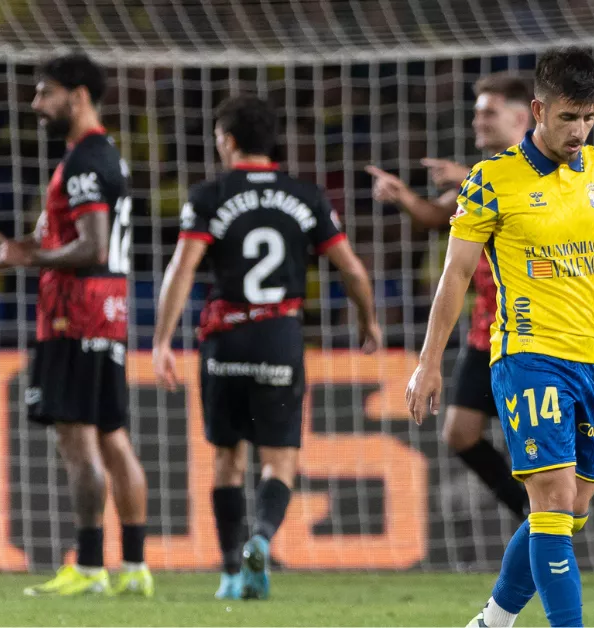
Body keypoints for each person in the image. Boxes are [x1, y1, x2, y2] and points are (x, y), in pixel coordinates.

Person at [406, 48, 594, 628]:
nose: (579, 131)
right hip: (526, 355)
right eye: (568, 118)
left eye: (589, 117)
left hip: (589, 361)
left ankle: (493, 621)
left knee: (569, 511)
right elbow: (455, 275)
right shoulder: (491, 181)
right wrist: (429, 363)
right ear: (538, 110)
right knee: (549, 501)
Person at [0, 53, 153, 597]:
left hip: (74, 314)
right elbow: (40, 246)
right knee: (113, 438)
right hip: (108, 311)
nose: (35, 105)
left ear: (76, 95)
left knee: (78, 443)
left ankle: (92, 567)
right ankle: (137, 568)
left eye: (44, 93)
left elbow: (90, 246)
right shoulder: (104, 158)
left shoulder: (83, 162)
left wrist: (31, 259)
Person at [150, 94, 381, 600]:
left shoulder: (209, 196)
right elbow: (354, 271)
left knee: (227, 460)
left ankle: (232, 573)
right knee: (280, 460)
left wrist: (162, 340)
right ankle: (262, 536)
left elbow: (182, 269)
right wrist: (368, 323)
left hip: (226, 338)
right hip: (280, 337)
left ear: (229, 141)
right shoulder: (307, 196)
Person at [366, 73, 533, 521]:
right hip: (486, 330)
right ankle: (531, 516)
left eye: (488, 111)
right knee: (460, 432)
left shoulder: (541, 171)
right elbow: (434, 215)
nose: (477, 120)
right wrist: (403, 196)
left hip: (532, 332)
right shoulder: (478, 179)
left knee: (536, 441)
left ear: (521, 116)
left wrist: (467, 178)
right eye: (476, 110)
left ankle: (550, 523)